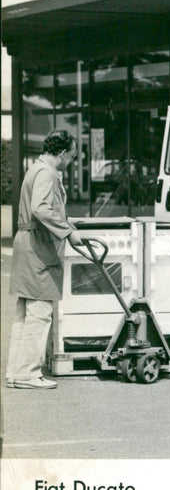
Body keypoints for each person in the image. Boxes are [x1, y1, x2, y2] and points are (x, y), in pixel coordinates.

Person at [6, 129, 85, 389]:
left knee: (25, 313)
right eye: (71, 156)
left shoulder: (35, 168)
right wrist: (67, 232)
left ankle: (16, 372)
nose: (71, 160)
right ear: (62, 153)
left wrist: (66, 220)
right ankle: (28, 372)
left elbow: (41, 209)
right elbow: (41, 209)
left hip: (27, 244)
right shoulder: (47, 173)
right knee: (40, 312)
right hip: (37, 248)